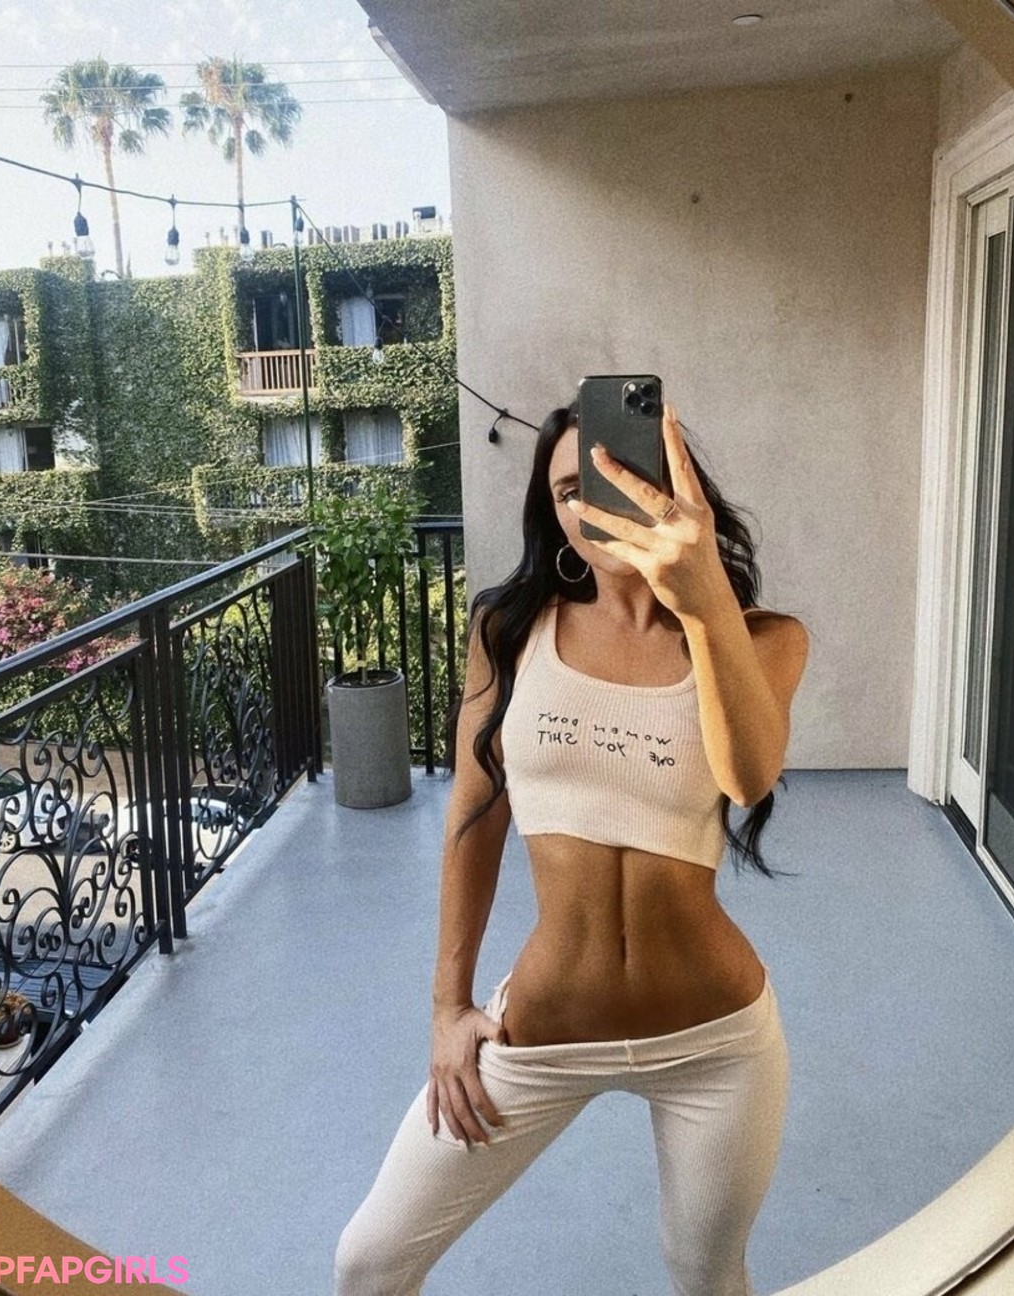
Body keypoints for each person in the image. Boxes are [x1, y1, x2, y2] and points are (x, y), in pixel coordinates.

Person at [335, 399, 810, 1296]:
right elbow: (474, 815)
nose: (594, 505)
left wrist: (704, 597)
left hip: (715, 1043)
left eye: (623, 479)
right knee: (369, 1262)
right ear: (551, 513)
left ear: (676, 491)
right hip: (544, 1031)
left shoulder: (762, 639)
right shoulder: (509, 631)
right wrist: (447, 1009)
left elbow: (749, 777)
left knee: (706, 1275)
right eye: (569, 490)